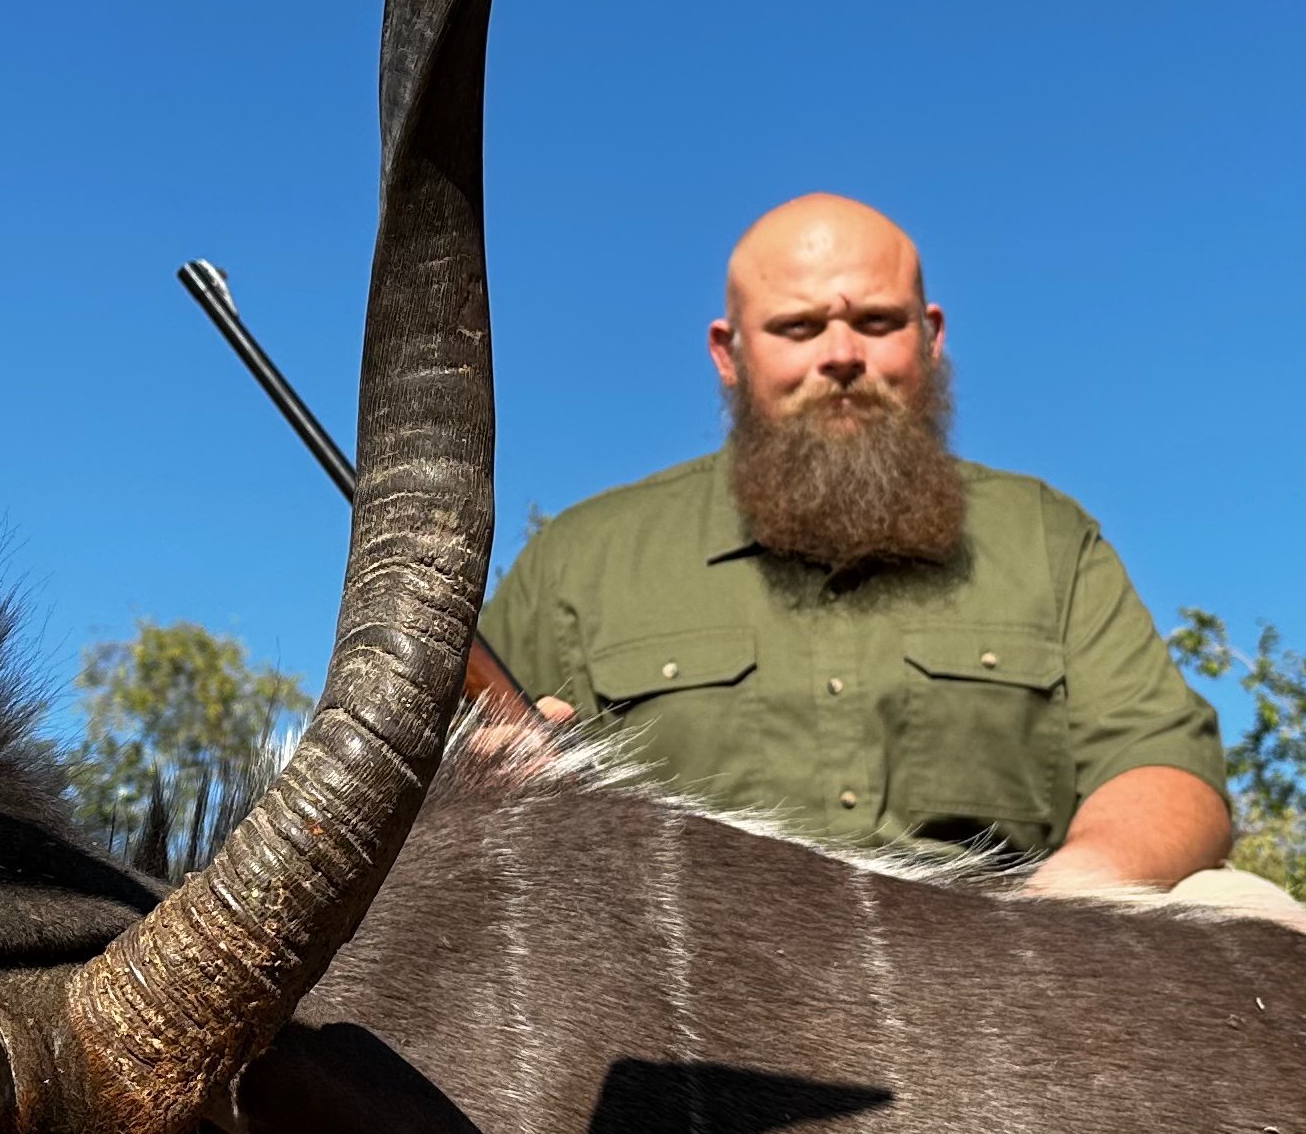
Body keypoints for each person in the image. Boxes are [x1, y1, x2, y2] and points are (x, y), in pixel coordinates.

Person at [482, 191, 1243, 897]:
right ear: (729, 352)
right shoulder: (584, 557)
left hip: (1002, 978)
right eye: (798, 327)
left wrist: (1071, 899)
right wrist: (481, 774)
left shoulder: (1044, 536)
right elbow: (443, 763)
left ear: (931, 336)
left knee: (1243, 908)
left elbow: (1165, 765)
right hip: (668, 986)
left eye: (877, 322)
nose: (841, 354)